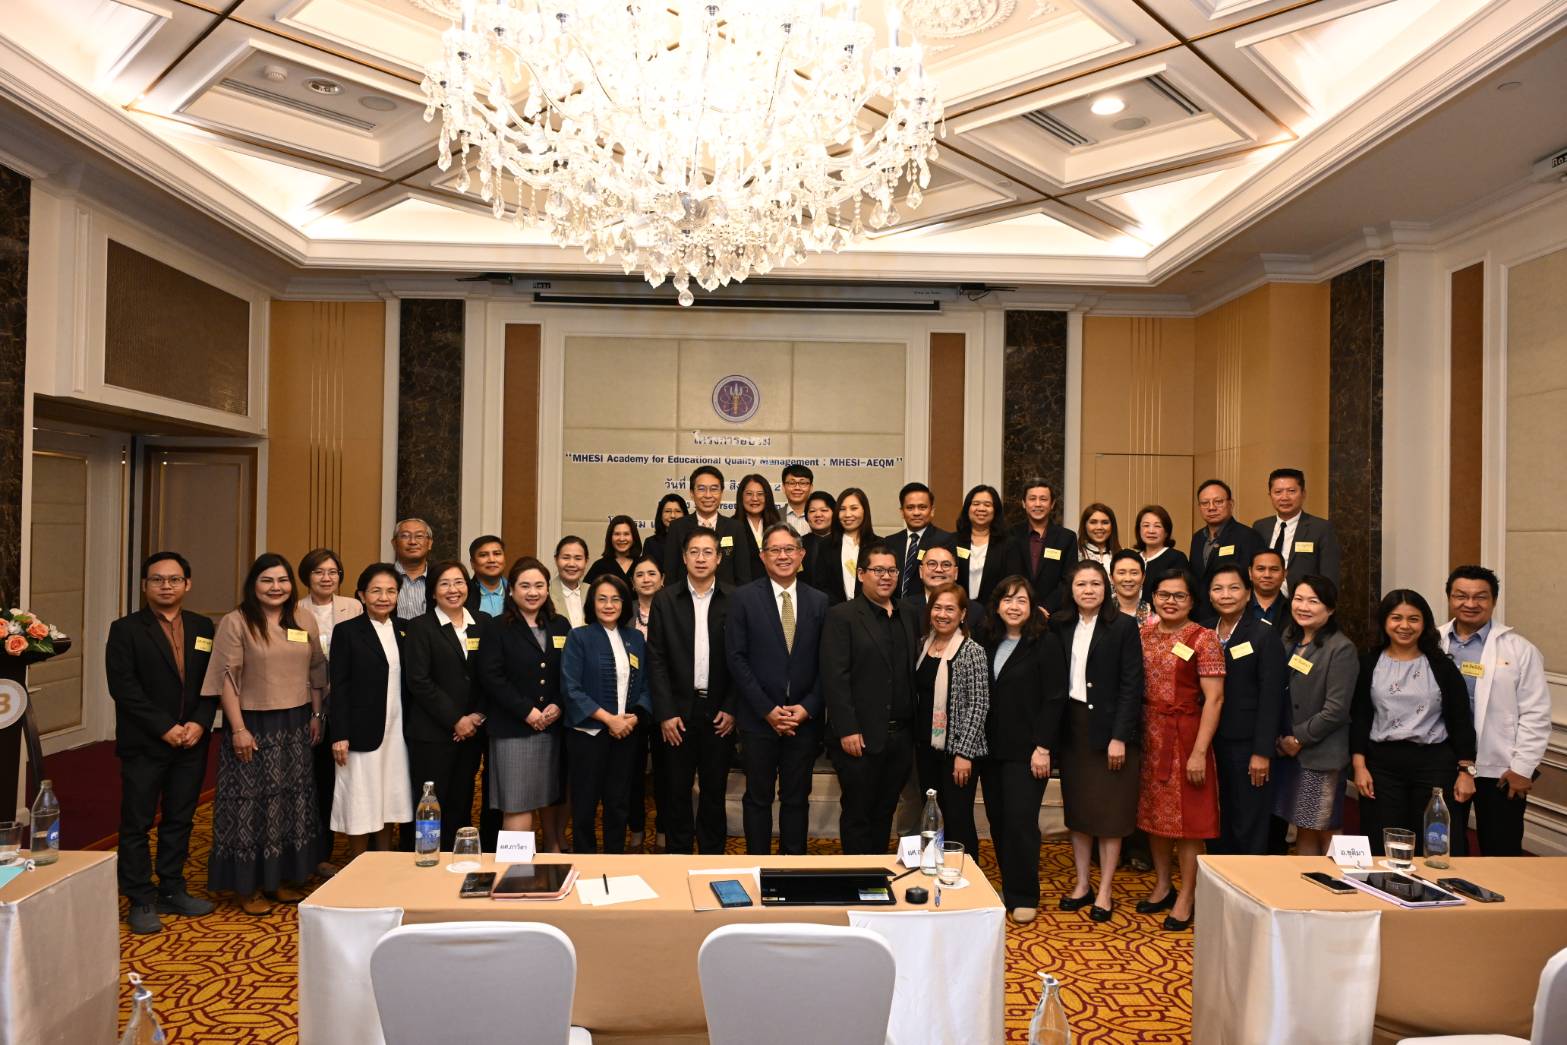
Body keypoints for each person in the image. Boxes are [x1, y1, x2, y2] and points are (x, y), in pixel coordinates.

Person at [202, 554, 326, 916]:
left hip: (296, 722)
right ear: (253, 585)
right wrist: (238, 728)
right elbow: (227, 678)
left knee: (290, 802)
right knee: (251, 804)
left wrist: (316, 714)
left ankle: (280, 878)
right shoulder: (237, 622)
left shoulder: (302, 618)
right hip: (254, 724)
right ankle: (248, 886)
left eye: (282, 580)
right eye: (267, 580)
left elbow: (316, 668)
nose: (276, 588)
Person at [106, 551, 218, 935]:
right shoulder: (125, 630)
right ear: (144, 585)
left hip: (192, 741)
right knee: (137, 823)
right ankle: (140, 897)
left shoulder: (203, 626)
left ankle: (172, 888)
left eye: (174, 579)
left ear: (187, 584)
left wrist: (200, 722)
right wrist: (165, 727)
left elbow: (212, 681)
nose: (166, 586)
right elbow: (123, 688)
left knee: (180, 818)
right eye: (157, 579)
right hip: (146, 742)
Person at [725, 523, 828, 855]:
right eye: (775, 550)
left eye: (789, 549)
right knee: (758, 797)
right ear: (762, 556)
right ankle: (756, 864)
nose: (783, 556)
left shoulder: (819, 602)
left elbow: (828, 663)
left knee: (797, 798)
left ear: (801, 554)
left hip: (803, 720)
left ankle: (794, 866)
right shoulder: (743, 598)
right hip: (758, 720)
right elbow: (736, 658)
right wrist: (766, 709)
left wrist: (808, 707)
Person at [1350, 589, 1476, 857]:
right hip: (1382, 766)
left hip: (1434, 764)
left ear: (1425, 623)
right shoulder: (1368, 663)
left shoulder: (1441, 666)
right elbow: (1359, 717)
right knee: (1383, 841)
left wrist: (1466, 771)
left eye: (1413, 619)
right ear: (1384, 621)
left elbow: (1461, 720)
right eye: (1396, 618)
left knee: (1436, 843)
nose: (1405, 626)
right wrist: (1359, 767)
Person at [1052, 561, 1145, 923]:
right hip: (1073, 729)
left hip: (1111, 732)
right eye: (1081, 584)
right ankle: (1081, 883)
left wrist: (1119, 736)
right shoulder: (1060, 624)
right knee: (1079, 812)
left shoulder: (1123, 626)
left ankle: (1105, 889)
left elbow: (1132, 685)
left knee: (1110, 814)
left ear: (1106, 589)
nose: (1088, 590)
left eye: (1095, 584)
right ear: (1071, 589)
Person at [1439, 566, 1551, 856]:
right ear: (1449, 598)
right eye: (1461, 596)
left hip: (1501, 768)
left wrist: (1523, 768)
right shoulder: (1433, 642)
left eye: (1480, 597)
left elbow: (1536, 713)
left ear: (1494, 600)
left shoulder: (1520, 650)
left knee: (1502, 850)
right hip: (1443, 762)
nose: (1470, 603)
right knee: (1445, 848)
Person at [1136, 570, 1225, 932]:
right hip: (1149, 737)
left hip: (1186, 737)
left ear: (1192, 601)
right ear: (1153, 598)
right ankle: (1163, 885)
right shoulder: (1142, 635)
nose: (1170, 601)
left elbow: (1215, 699)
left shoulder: (1204, 638)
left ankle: (1188, 895)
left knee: (1189, 824)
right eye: (1163, 594)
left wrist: (1199, 752)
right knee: (1155, 818)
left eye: (1179, 596)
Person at [977, 576, 1066, 924]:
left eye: (1021, 601)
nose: (1013, 607)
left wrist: (1043, 747)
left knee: (1020, 822)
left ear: (1032, 608)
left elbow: (1054, 698)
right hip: (990, 749)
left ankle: (1025, 894)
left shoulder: (1045, 642)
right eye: (1008, 599)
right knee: (999, 821)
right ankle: (1010, 887)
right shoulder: (986, 639)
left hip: (1028, 751)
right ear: (997, 605)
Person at [821, 545, 919, 855]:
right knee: (858, 814)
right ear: (861, 574)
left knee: (885, 810)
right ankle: (856, 875)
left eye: (891, 570)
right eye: (878, 570)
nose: (886, 576)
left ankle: (876, 872)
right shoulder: (842, 616)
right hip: (859, 738)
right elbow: (835, 677)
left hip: (901, 737)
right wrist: (848, 729)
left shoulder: (908, 613)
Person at [647, 527, 736, 854]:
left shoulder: (734, 599)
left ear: (718, 558)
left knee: (715, 791)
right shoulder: (665, 600)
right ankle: (678, 858)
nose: (701, 558)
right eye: (694, 552)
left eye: (707, 552)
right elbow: (655, 659)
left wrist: (732, 707)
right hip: (677, 713)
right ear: (684, 558)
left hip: (719, 712)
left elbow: (741, 659)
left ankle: (713, 859)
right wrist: (665, 712)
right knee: (676, 791)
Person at [477, 557, 570, 846]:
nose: (533, 592)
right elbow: (491, 676)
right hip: (513, 729)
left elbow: (569, 672)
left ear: (547, 589)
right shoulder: (496, 627)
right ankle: (517, 867)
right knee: (517, 803)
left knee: (551, 798)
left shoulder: (560, 625)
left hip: (553, 728)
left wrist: (558, 704)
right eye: (525, 586)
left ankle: (551, 857)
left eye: (539, 585)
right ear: (512, 590)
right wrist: (526, 711)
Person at [327, 564, 413, 860]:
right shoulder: (347, 632)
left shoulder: (406, 630)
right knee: (361, 797)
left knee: (389, 795)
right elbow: (339, 687)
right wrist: (339, 734)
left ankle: (383, 858)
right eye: (376, 591)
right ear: (362, 595)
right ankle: (358, 861)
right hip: (360, 730)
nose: (384, 597)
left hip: (398, 730)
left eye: (391, 591)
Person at [403, 561, 489, 852]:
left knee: (462, 799)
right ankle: (422, 860)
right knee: (429, 803)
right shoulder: (420, 627)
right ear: (433, 591)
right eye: (444, 583)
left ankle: (457, 857)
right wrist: (455, 719)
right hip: (432, 733)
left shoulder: (483, 623)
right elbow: (418, 681)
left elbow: (491, 674)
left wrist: (476, 716)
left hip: (472, 731)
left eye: (459, 582)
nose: (453, 589)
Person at [561, 575, 652, 854]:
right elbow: (571, 689)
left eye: (615, 599)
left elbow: (647, 684)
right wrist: (609, 719)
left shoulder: (635, 638)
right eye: (602, 599)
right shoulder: (579, 637)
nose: (609, 605)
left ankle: (615, 859)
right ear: (592, 603)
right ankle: (585, 860)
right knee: (585, 805)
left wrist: (635, 717)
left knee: (618, 803)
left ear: (624, 604)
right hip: (588, 736)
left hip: (625, 734)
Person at [1202, 564, 1287, 855]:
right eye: (1218, 588)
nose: (1225, 595)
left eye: (1234, 588)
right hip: (1210, 742)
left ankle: (1247, 881)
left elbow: (1271, 698)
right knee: (1216, 818)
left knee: (1247, 821)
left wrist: (1262, 752)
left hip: (1247, 746)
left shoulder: (1264, 635)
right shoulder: (1204, 631)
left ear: (1248, 593)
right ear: (1209, 595)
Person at [1272, 575, 1357, 856]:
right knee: (1304, 826)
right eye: (1298, 599)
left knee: (1325, 826)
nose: (1303, 607)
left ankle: (1340, 880)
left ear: (1330, 608)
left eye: (1313, 601)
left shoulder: (1340, 648)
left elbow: (1336, 709)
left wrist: (1298, 739)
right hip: (1288, 753)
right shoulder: (1289, 638)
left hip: (1319, 755)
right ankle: (1309, 879)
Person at [296, 547, 363, 876]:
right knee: (316, 780)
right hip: (306, 704)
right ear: (306, 576)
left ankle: (353, 849)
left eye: (333, 572)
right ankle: (318, 853)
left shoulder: (354, 607)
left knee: (347, 778)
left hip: (347, 703)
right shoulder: (293, 610)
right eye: (319, 572)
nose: (326, 578)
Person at [911, 583, 989, 859]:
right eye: (937, 607)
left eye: (950, 609)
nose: (942, 614)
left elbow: (979, 705)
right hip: (926, 748)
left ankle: (965, 874)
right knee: (931, 816)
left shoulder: (971, 651)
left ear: (963, 614)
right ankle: (934, 869)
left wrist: (964, 754)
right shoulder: (923, 644)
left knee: (958, 819)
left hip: (957, 753)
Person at [626, 554, 665, 848]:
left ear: (662, 579)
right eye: (640, 574)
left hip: (665, 703)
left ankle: (663, 828)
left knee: (666, 772)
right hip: (632, 705)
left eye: (652, 573)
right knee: (633, 772)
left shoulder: (673, 610)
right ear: (632, 582)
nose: (646, 579)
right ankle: (637, 828)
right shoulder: (623, 613)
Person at [1251, 468, 1341, 592]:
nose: (1284, 497)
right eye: (1278, 492)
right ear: (1270, 495)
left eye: (1291, 491)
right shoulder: (1260, 526)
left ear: (1303, 494)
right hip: (1264, 599)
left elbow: (1329, 577)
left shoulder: (1321, 528)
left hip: (1302, 600)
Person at [663, 465, 751, 587]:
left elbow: (743, 576)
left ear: (721, 493)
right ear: (692, 493)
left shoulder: (735, 528)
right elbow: (670, 574)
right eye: (701, 489)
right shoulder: (677, 527)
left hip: (727, 598)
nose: (708, 495)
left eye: (714, 489)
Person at [1189, 480, 1263, 618]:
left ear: (1231, 504)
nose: (1211, 507)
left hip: (1236, 615)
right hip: (1201, 616)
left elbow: (1254, 582)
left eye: (1218, 502)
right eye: (1205, 503)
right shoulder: (1197, 538)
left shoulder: (1248, 536)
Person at [1006, 479, 1076, 613]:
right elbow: (1006, 577)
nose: (1038, 504)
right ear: (1023, 503)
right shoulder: (1010, 535)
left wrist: (1046, 608)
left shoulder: (1067, 538)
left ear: (1052, 504)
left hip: (1054, 613)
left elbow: (1069, 580)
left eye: (1043, 499)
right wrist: (1022, 605)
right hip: (1016, 611)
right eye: (1032, 499)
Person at [883, 482, 953, 600]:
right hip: (894, 607)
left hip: (928, 606)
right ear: (902, 512)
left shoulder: (945, 540)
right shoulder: (890, 542)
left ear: (932, 510)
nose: (916, 513)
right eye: (910, 508)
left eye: (922, 507)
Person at [954, 484, 1013, 617]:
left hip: (994, 614)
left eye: (987, 504)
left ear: (995, 510)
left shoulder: (1008, 545)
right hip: (957, 611)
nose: (981, 508)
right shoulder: (953, 541)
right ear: (968, 508)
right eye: (976, 504)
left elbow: (1010, 582)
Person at [813, 487, 877, 606]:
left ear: (865, 510)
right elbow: (821, 585)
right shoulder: (826, 545)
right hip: (836, 612)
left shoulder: (878, 544)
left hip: (872, 611)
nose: (847, 514)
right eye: (842, 509)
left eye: (854, 508)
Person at [1133, 505, 1190, 605]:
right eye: (1146, 525)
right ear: (1139, 530)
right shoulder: (1132, 558)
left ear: (1166, 531)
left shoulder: (1177, 558)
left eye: (1157, 526)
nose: (1151, 531)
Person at [734, 473, 783, 580]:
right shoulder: (731, 526)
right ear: (741, 496)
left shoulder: (779, 526)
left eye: (760, 494)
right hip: (743, 586)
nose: (755, 498)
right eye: (749, 494)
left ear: (767, 497)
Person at [900, 542, 958, 620]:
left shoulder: (972, 610)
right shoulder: (903, 609)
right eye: (932, 564)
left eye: (946, 565)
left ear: (956, 572)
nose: (939, 569)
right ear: (921, 571)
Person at [390, 518, 434, 618]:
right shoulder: (381, 578)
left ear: (429, 543)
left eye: (419, 536)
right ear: (394, 543)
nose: (413, 542)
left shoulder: (440, 578)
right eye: (405, 536)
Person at [586, 515, 642, 588]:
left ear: (634, 537)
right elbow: (586, 592)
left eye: (626, 534)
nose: (621, 539)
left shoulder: (642, 564)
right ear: (610, 537)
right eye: (617, 534)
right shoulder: (599, 566)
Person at [800, 489, 839, 587]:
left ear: (835, 513)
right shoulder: (798, 544)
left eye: (824, 510)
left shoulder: (845, 542)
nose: (818, 515)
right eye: (812, 511)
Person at [642, 493, 689, 574]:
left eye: (678, 511)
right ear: (660, 515)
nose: (673, 516)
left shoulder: (692, 540)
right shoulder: (651, 543)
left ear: (684, 514)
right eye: (667, 511)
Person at [550, 535, 591, 627]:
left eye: (578, 558)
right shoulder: (546, 593)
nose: (571, 564)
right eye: (566, 558)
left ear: (586, 561)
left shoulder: (593, 592)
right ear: (556, 560)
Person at [464, 535, 508, 619]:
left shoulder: (516, 591)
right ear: (472, 563)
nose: (492, 560)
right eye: (483, 555)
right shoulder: (463, 594)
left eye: (497, 554)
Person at [1109, 549, 1155, 626]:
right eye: (1121, 573)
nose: (1128, 579)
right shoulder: (1100, 612)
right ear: (1111, 578)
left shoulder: (1154, 616)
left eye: (1134, 573)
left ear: (1143, 578)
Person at [1247, 549, 1288, 625]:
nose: (1267, 575)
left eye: (1274, 569)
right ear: (1250, 573)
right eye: (1261, 569)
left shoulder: (1294, 610)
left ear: (1284, 574)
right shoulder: (1236, 606)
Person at [1076, 502, 1122, 569]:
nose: (1099, 527)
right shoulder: (1076, 554)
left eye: (1105, 522)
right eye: (1093, 522)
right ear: (1084, 526)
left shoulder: (1122, 555)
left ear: (1112, 526)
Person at [780, 463, 815, 536]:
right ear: (783, 487)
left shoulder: (819, 516)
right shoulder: (774, 516)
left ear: (811, 488)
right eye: (792, 483)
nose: (797, 488)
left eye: (803, 483)